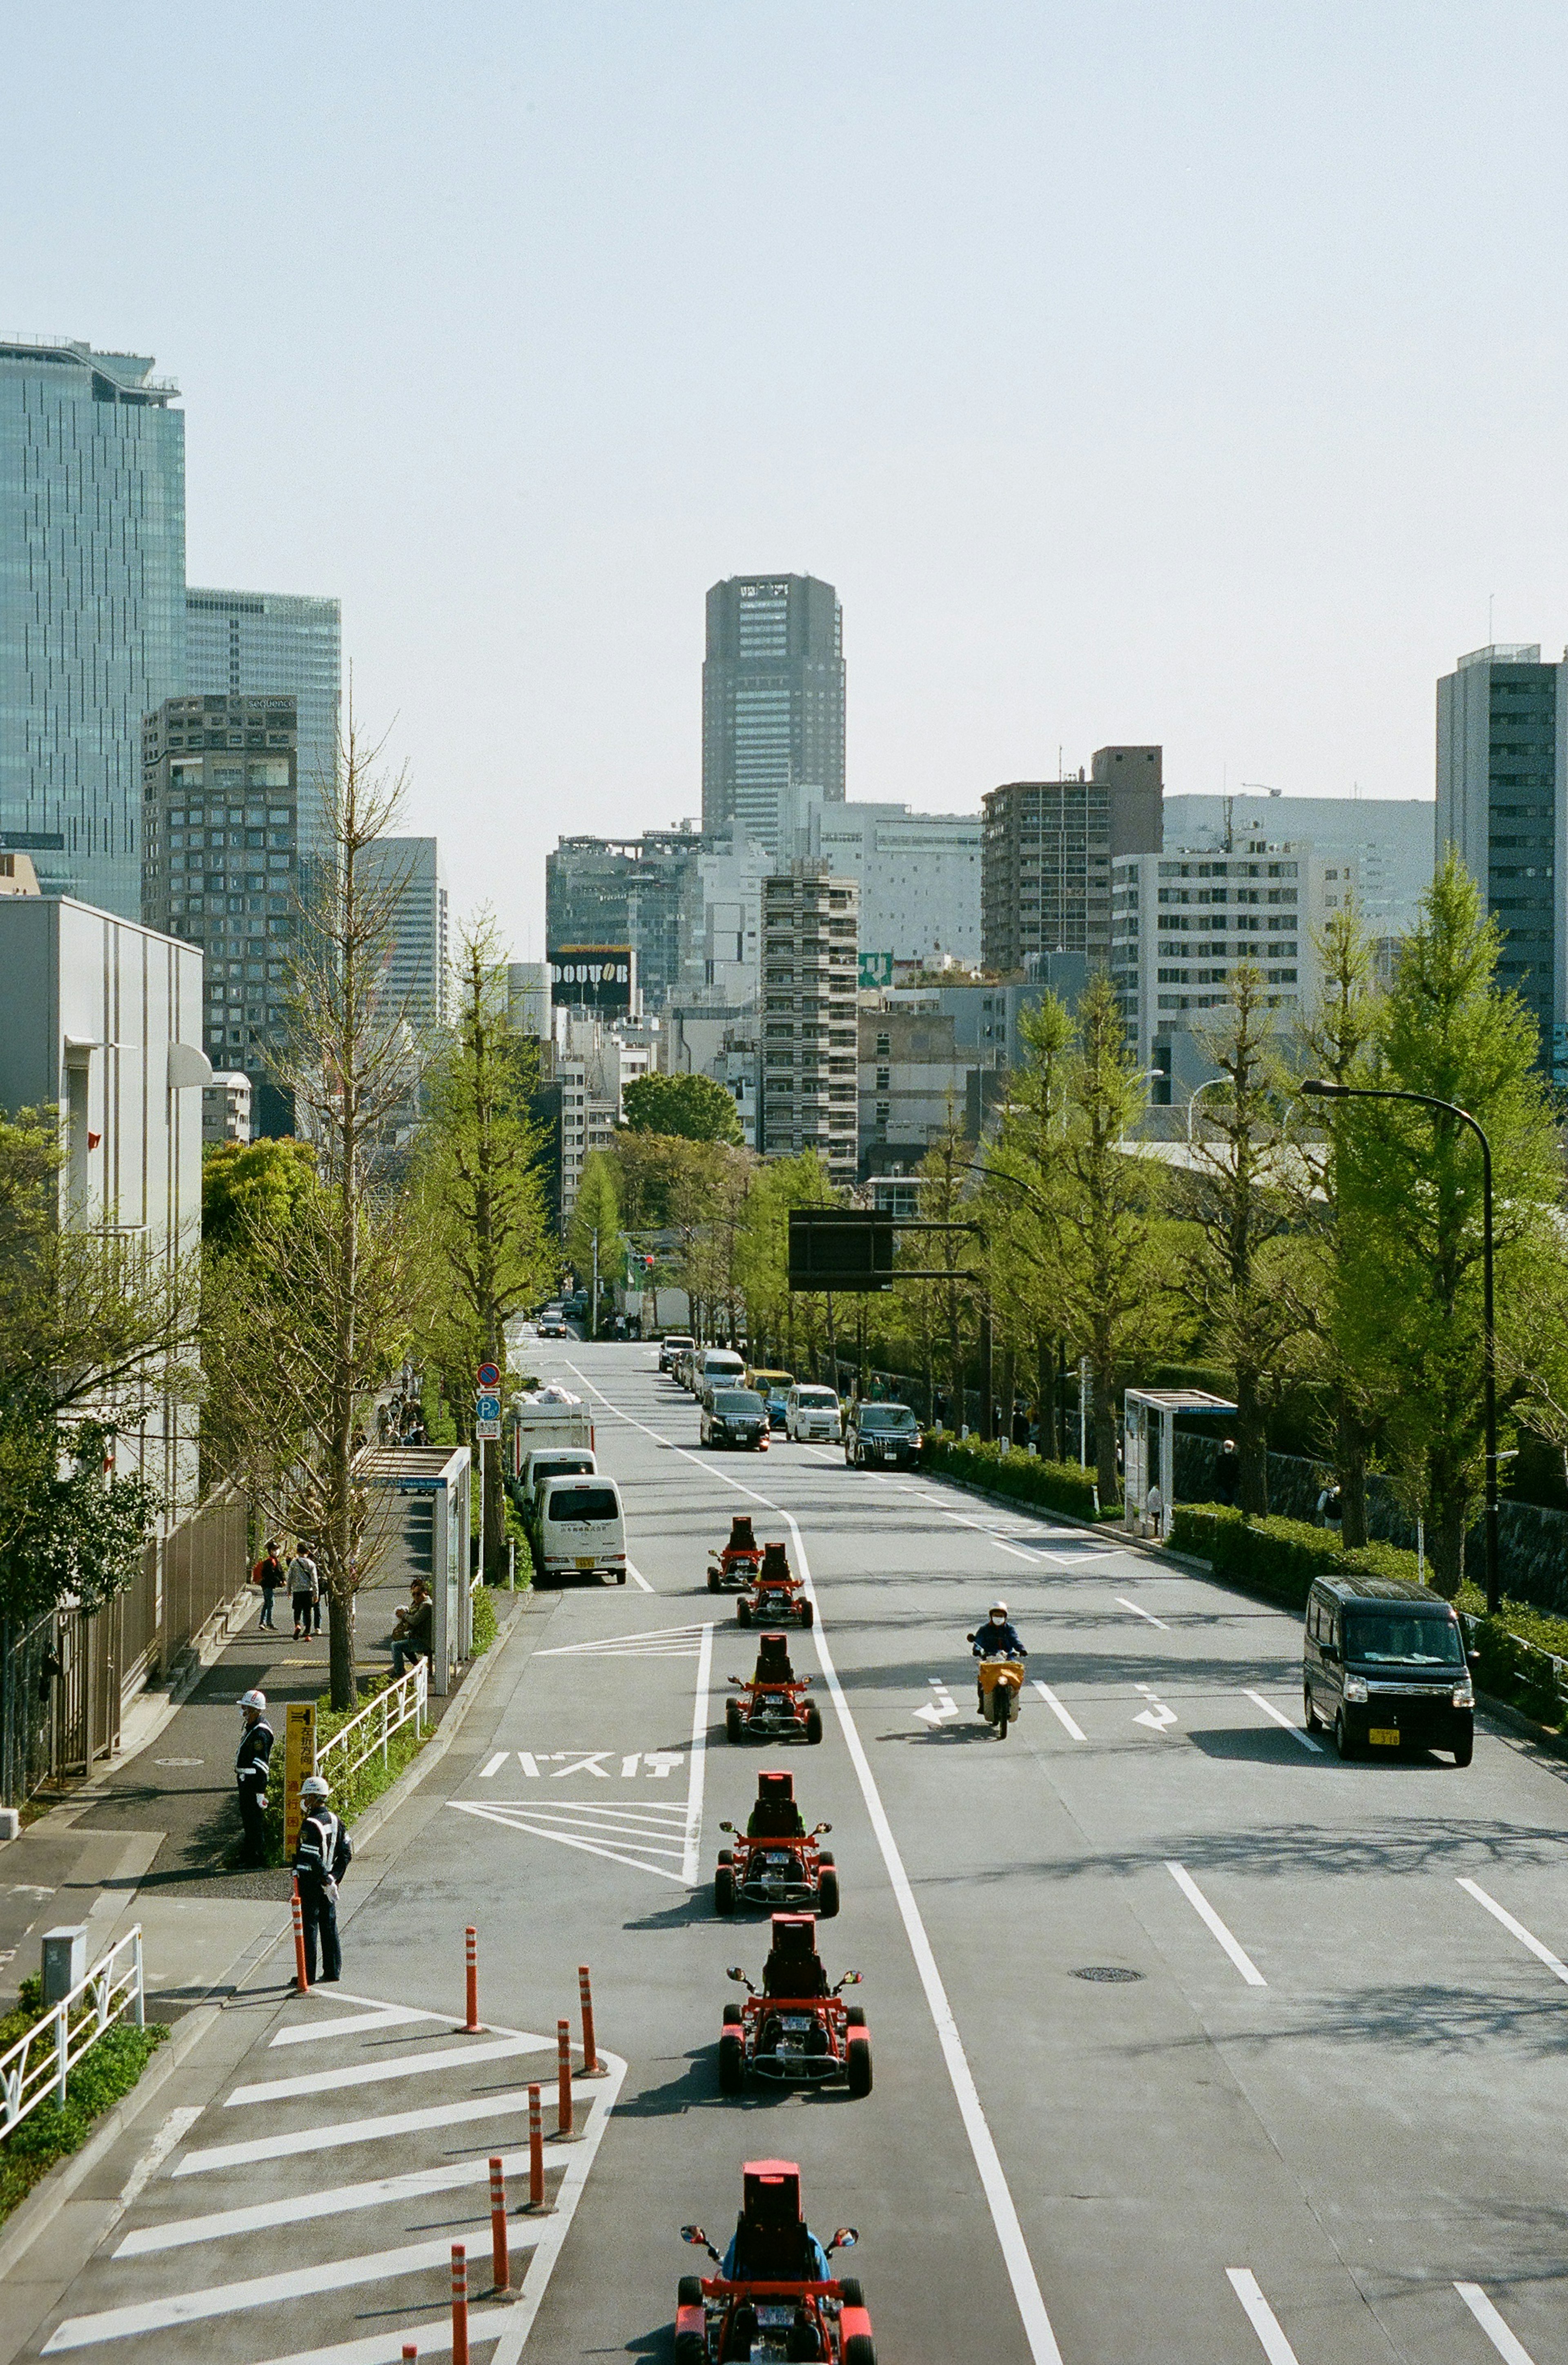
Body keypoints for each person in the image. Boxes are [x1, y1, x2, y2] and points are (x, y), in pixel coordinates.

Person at [721, 2162, 831, 2284]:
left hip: (751, 2295)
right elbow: (823, 2279)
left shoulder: (743, 2236)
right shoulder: (806, 2238)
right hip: (796, 2295)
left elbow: (729, 2272)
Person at [292, 1772, 352, 1984]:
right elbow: (346, 1853)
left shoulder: (311, 1824)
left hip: (311, 1883)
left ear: (315, 1798)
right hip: (329, 1884)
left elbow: (310, 1857)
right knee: (329, 1925)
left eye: (306, 1797)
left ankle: (307, 1975)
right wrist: (334, 1879)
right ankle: (333, 1971)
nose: (304, 1801)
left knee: (309, 1928)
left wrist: (325, 1878)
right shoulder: (337, 1821)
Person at [234, 1689, 274, 1867]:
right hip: (245, 1780)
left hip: (252, 1782)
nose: (243, 1712)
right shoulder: (253, 1727)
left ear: (256, 1710)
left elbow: (261, 1764)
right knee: (248, 1818)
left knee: (253, 1821)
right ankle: (248, 1853)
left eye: (246, 1709)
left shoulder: (260, 1733)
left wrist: (260, 1791)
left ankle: (255, 1857)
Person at [971, 1601, 1027, 1713]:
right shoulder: (984, 1630)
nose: (998, 1618)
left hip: (1008, 1658)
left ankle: (1014, 1701)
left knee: (1016, 1676)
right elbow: (979, 1641)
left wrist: (1021, 1649)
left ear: (1005, 1617)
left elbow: (1015, 1640)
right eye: (996, 1615)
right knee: (982, 1680)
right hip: (990, 1657)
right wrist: (977, 1650)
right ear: (991, 1616)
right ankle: (983, 1703)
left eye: (1001, 1616)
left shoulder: (1010, 1629)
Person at [747, 1769, 806, 1839]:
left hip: (761, 1847)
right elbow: (801, 1833)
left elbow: (751, 1833)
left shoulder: (758, 1811)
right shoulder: (795, 1813)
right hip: (790, 1848)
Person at [391, 1579, 433, 1678]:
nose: (416, 1597)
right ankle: (418, 1666)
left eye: (418, 1594)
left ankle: (400, 1673)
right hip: (420, 1637)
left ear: (425, 1593)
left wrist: (404, 1615)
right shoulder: (419, 1604)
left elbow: (414, 1621)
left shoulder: (426, 1606)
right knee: (400, 1640)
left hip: (424, 1640)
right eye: (414, 1594)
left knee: (396, 1646)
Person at [288, 1541, 319, 1640]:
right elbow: (315, 1580)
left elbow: (290, 1577)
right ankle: (307, 1634)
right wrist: (316, 1594)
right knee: (308, 1612)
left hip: (297, 1591)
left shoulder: (293, 1563)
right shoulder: (311, 1564)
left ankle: (298, 1625)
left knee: (297, 1611)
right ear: (308, 1552)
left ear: (297, 1551)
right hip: (308, 1591)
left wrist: (289, 1590)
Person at [252, 1539, 284, 1632]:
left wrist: (282, 1580)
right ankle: (266, 1622)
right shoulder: (270, 1562)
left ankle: (264, 1622)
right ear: (270, 1551)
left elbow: (280, 1572)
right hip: (267, 1585)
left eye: (277, 1549)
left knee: (268, 1603)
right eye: (274, 1549)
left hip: (267, 1585)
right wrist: (280, 1581)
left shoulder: (274, 1561)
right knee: (270, 1603)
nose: (276, 1551)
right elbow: (273, 1574)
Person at [1214, 1438, 1241, 1508]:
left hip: (1232, 1482)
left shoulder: (1235, 1459)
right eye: (1227, 1447)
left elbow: (1237, 1471)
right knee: (1224, 1498)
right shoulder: (1220, 1458)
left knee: (1231, 1498)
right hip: (1222, 1481)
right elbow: (1218, 1469)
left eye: (1230, 1447)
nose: (1228, 1449)